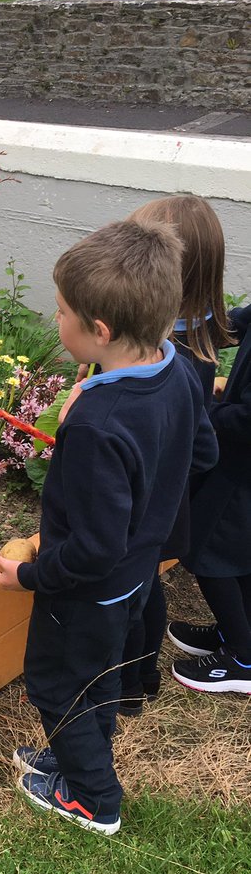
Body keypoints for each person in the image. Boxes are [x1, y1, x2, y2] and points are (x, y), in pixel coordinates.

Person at [0, 220, 218, 835]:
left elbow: (93, 549)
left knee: (57, 684)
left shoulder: (96, 423)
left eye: (62, 311)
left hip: (88, 591)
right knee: (98, 674)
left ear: (100, 331)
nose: (55, 319)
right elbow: (203, 453)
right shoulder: (175, 365)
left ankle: (93, 799)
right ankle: (78, 756)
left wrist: (28, 577)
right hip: (138, 572)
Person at [116, 196, 234, 713]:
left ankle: (131, 684)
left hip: (148, 498)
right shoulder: (192, 338)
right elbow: (201, 446)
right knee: (144, 584)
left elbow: (191, 445)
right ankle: (140, 676)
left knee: (134, 591)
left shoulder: (168, 358)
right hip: (167, 494)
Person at [169, 294, 251, 695]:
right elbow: (233, 323)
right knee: (241, 553)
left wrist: (207, 410)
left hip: (242, 467)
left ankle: (243, 657)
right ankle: (237, 630)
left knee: (208, 553)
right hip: (238, 462)